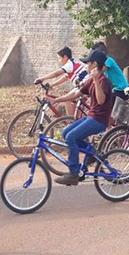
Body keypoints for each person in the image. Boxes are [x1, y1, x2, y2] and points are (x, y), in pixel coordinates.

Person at [48, 50, 112, 186]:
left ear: (94, 65)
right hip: (91, 117)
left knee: (72, 137)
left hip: (99, 121)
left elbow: (101, 101)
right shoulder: (90, 80)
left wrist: (95, 80)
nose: (86, 66)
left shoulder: (103, 81)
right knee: (66, 133)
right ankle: (91, 152)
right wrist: (56, 99)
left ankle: (74, 173)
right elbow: (76, 93)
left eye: (88, 63)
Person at [33, 46, 89, 116]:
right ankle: (74, 119)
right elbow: (65, 78)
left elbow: (56, 74)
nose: (59, 61)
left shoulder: (69, 64)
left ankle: (70, 123)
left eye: (59, 58)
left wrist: (42, 79)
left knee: (66, 99)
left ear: (65, 57)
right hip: (83, 85)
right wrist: (53, 84)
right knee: (72, 100)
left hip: (84, 85)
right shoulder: (72, 63)